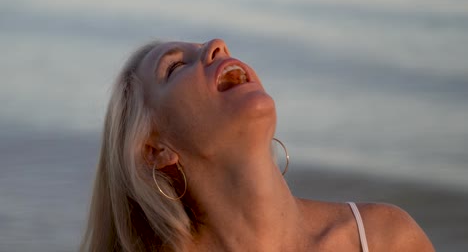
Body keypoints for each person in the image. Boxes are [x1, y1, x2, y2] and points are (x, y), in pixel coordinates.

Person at [80, 39, 434, 251]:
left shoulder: (386, 239)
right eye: (174, 67)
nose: (216, 45)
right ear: (155, 149)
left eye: (208, 46)